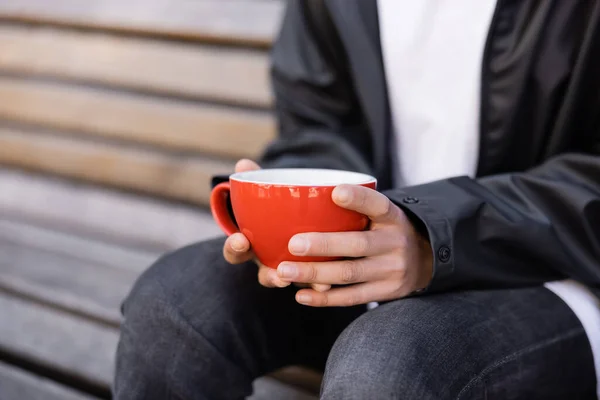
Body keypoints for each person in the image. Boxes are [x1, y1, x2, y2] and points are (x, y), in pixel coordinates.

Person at [113, 1, 600, 399]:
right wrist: (294, 211)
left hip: (557, 275)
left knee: (389, 361)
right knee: (172, 309)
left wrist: (432, 237)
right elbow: (316, 125)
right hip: (366, 262)